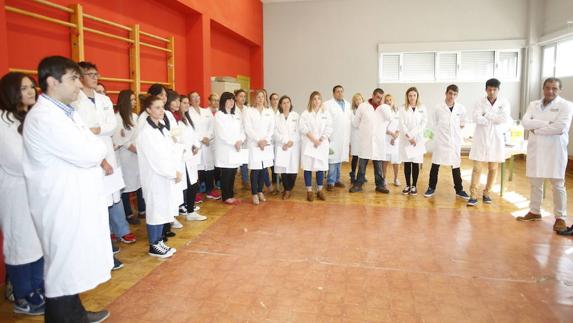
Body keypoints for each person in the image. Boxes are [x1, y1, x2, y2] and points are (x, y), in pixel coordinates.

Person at [23, 55, 111, 322]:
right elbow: (89, 151)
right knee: (61, 268)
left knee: (70, 265)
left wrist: (96, 149)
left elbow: (93, 147)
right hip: (60, 203)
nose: (79, 83)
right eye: (73, 78)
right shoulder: (44, 118)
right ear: (52, 82)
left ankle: (76, 314)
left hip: (74, 200)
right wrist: (97, 149)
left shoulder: (66, 112)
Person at [73, 61, 134, 273]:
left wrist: (97, 129)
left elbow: (111, 126)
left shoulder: (104, 99)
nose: (94, 77)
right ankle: (101, 253)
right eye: (89, 74)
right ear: (80, 77)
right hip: (91, 162)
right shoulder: (76, 101)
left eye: (96, 73)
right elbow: (81, 132)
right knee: (96, 207)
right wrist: (98, 130)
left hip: (108, 155)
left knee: (112, 199)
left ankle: (107, 249)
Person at [0, 72, 45, 315]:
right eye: (24, 88)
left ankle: (38, 287)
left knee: (38, 241)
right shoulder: (3, 121)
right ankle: (22, 296)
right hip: (15, 192)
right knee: (20, 244)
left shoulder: (26, 117)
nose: (30, 91)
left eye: (31, 87)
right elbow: (16, 161)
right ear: (10, 92)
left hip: (35, 189)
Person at [518, 78, 573, 233]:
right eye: (547, 88)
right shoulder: (533, 104)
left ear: (559, 90)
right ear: (543, 89)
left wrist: (537, 128)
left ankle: (560, 218)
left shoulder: (566, 106)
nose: (550, 91)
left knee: (558, 185)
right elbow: (525, 122)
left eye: (554, 88)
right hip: (537, 150)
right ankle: (534, 211)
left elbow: (560, 128)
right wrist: (547, 123)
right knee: (535, 183)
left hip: (555, 150)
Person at [137, 95, 181, 258]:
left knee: (163, 208)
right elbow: (156, 159)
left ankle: (159, 240)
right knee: (155, 209)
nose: (161, 110)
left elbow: (170, 149)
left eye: (162, 107)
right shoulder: (146, 133)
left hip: (165, 175)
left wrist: (175, 168)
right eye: (157, 107)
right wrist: (172, 172)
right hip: (155, 177)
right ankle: (153, 244)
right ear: (148, 110)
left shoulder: (161, 126)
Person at [467, 78, 512, 206]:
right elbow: (476, 118)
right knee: (477, 168)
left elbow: (503, 119)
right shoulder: (479, 102)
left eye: (494, 89)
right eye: (489, 89)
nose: (492, 92)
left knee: (493, 168)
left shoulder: (504, 103)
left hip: (496, 139)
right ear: (486, 89)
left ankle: (487, 193)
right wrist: (492, 118)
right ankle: (473, 195)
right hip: (481, 138)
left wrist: (486, 115)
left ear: (498, 90)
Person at [423, 85, 470, 200]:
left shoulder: (461, 108)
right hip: (441, 141)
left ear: (456, 95)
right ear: (446, 93)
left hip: (454, 142)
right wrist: (427, 139)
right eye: (450, 93)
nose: (452, 96)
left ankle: (459, 190)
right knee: (435, 164)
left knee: (456, 165)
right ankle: (431, 187)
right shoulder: (438, 108)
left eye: (454, 94)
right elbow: (432, 124)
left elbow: (464, 122)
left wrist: (460, 128)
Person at [349, 88, 393, 194]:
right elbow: (355, 123)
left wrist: (382, 106)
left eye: (381, 98)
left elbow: (390, 118)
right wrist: (365, 130)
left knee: (378, 165)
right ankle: (358, 184)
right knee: (362, 164)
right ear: (372, 95)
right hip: (365, 140)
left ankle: (380, 185)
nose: (379, 99)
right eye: (378, 97)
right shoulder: (363, 106)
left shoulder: (385, 107)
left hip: (378, 141)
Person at [112, 90, 146, 225]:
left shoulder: (134, 116)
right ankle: (128, 213)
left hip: (136, 155)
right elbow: (120, 139)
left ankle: (142, 209)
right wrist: (132, 148)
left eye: (135, 100)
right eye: (132, 100)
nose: (134, 102)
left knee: (139, 183)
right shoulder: (117, 118)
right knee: (126, 186)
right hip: (125, 156)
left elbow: (139, 135)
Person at [178, 95, 207, 221]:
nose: (186, 105)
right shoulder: (176, 120)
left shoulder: (186, 118)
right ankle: (189, 210)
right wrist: (187, 148)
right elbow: (177, 139)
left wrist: (196, 145)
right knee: (189, 185)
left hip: (192, 156)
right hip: (184, 157)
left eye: (187, 103)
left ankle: (190, 209)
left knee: (194, 184)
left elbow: (193, 134)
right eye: (183, 103)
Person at [300, 91, 333, 201]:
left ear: (321, 100)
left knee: (320, 167)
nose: (316, 101)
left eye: (318, 98)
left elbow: (329, 128)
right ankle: (309, 191)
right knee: (308, 167)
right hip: (309, 144)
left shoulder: (326, 114)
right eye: (314, 98)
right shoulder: (305, 114)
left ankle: (319, 190)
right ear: (311, 100)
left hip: (321, 144)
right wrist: (314, 139)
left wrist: (321, 139)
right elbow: (303, 128)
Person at [244, 89, 275, 205]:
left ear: (265, 98)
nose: (260, 99)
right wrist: (258, 140)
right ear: (254, 98)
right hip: (254, 144)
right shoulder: (249, 111)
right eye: (258, 97)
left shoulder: (269, 112)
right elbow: (248, 128)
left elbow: (271, 128)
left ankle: (260, 191)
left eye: (263, 97)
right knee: (255, 169)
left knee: (263, 169)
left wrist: (265, 140)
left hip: (265, 145)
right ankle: (254, 193)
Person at [188, 91, 220, 201]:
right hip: (197, 144)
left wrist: (208, 137)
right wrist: (202, 138)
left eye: (198, 96)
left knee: (209, 167)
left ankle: (210, 190)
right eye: (193, 97)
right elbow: (190, 129)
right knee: (198, 168)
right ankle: (197, 192)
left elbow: (212, 127)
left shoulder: (206, 112)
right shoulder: (188, 113)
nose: (196, 99)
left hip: (208, 144)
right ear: (190, 100)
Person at [215, 92, 245, 205]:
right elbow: (222, 134)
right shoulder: (219, 115)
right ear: (223, 101)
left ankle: (231, 194)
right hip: (225, 149)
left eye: (233, 100)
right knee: (226, 173)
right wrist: (234, 142)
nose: (231, 102)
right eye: (229, 100)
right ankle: (226, 196)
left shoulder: (236, 115)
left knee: (232, 172)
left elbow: (242, 130)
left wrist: (240, 140)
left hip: (235, 148)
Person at [399, 87, 427, 196]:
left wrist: (414, 135)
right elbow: (401, 124)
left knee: (415, 163)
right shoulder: (402, 108)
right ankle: (407, 185)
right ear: (407, 96)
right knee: (407, 163)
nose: (412, 97)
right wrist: (410, 137)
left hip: (418, 140)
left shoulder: (422, 108)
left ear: (417, 96)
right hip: (407, 140)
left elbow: (424, 123)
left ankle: (414, 185)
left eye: (414, 95)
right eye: (410, 95)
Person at [324, 85, 352, 191]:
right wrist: (327, 135)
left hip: (344, 136)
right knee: (332, 160)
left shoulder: (348, 104)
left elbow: (349, 121)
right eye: (337, 91)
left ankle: (337, 180)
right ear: (333, 93)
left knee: (339, 159)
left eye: (341, 91)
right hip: (333, 136)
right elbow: (325, 121)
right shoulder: (327, 104)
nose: (340, 93)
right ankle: (330, 182)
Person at [274, 95, 300, 200]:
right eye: (283, 103)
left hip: (293, 146)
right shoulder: (277, 117)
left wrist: (291, 141)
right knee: (283, 168)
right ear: (280, 105)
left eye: (288, 102)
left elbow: (298, 131)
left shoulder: (296, 116)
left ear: (290, 104)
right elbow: (274, 132)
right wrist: (284, 142)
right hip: (282, 146)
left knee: (293, 169)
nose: (286, 105)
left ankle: (289, 188)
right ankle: (287, 189)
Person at [382, 94, 401, 187]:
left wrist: (395, 136)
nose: (389, 102)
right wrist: (391, 134)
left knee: (396, 161)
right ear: (384, 102)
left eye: (390, 100)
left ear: (393, 101)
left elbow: (399, 126)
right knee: (385, 161)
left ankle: (396, 178)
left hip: (396, 140)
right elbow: (382, 127)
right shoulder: (383, 112)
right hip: (386, 139)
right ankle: (384, 178)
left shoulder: (397, 111)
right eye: (387, 100)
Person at [234, 89, 250, 190]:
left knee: (244, 162)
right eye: (240, 96)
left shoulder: (247, 109)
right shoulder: (232, 109)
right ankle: (233, 185)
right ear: (235, 97)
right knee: (234, 164)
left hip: (245, 139)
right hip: (235, 140)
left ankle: (245, 182)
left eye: (244, 96)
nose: (243, 98)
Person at [349, 93, 364, 184]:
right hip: (355, 137)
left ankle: (361, 175)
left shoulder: (366, 110)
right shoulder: (352, 111)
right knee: (355, 157)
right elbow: (355, 124)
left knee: (363, 157)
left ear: (363, 100)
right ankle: (353, 174)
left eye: (360, 99)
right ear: (354, 102)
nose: (358, 101)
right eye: (356, 100)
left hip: (363, 137)